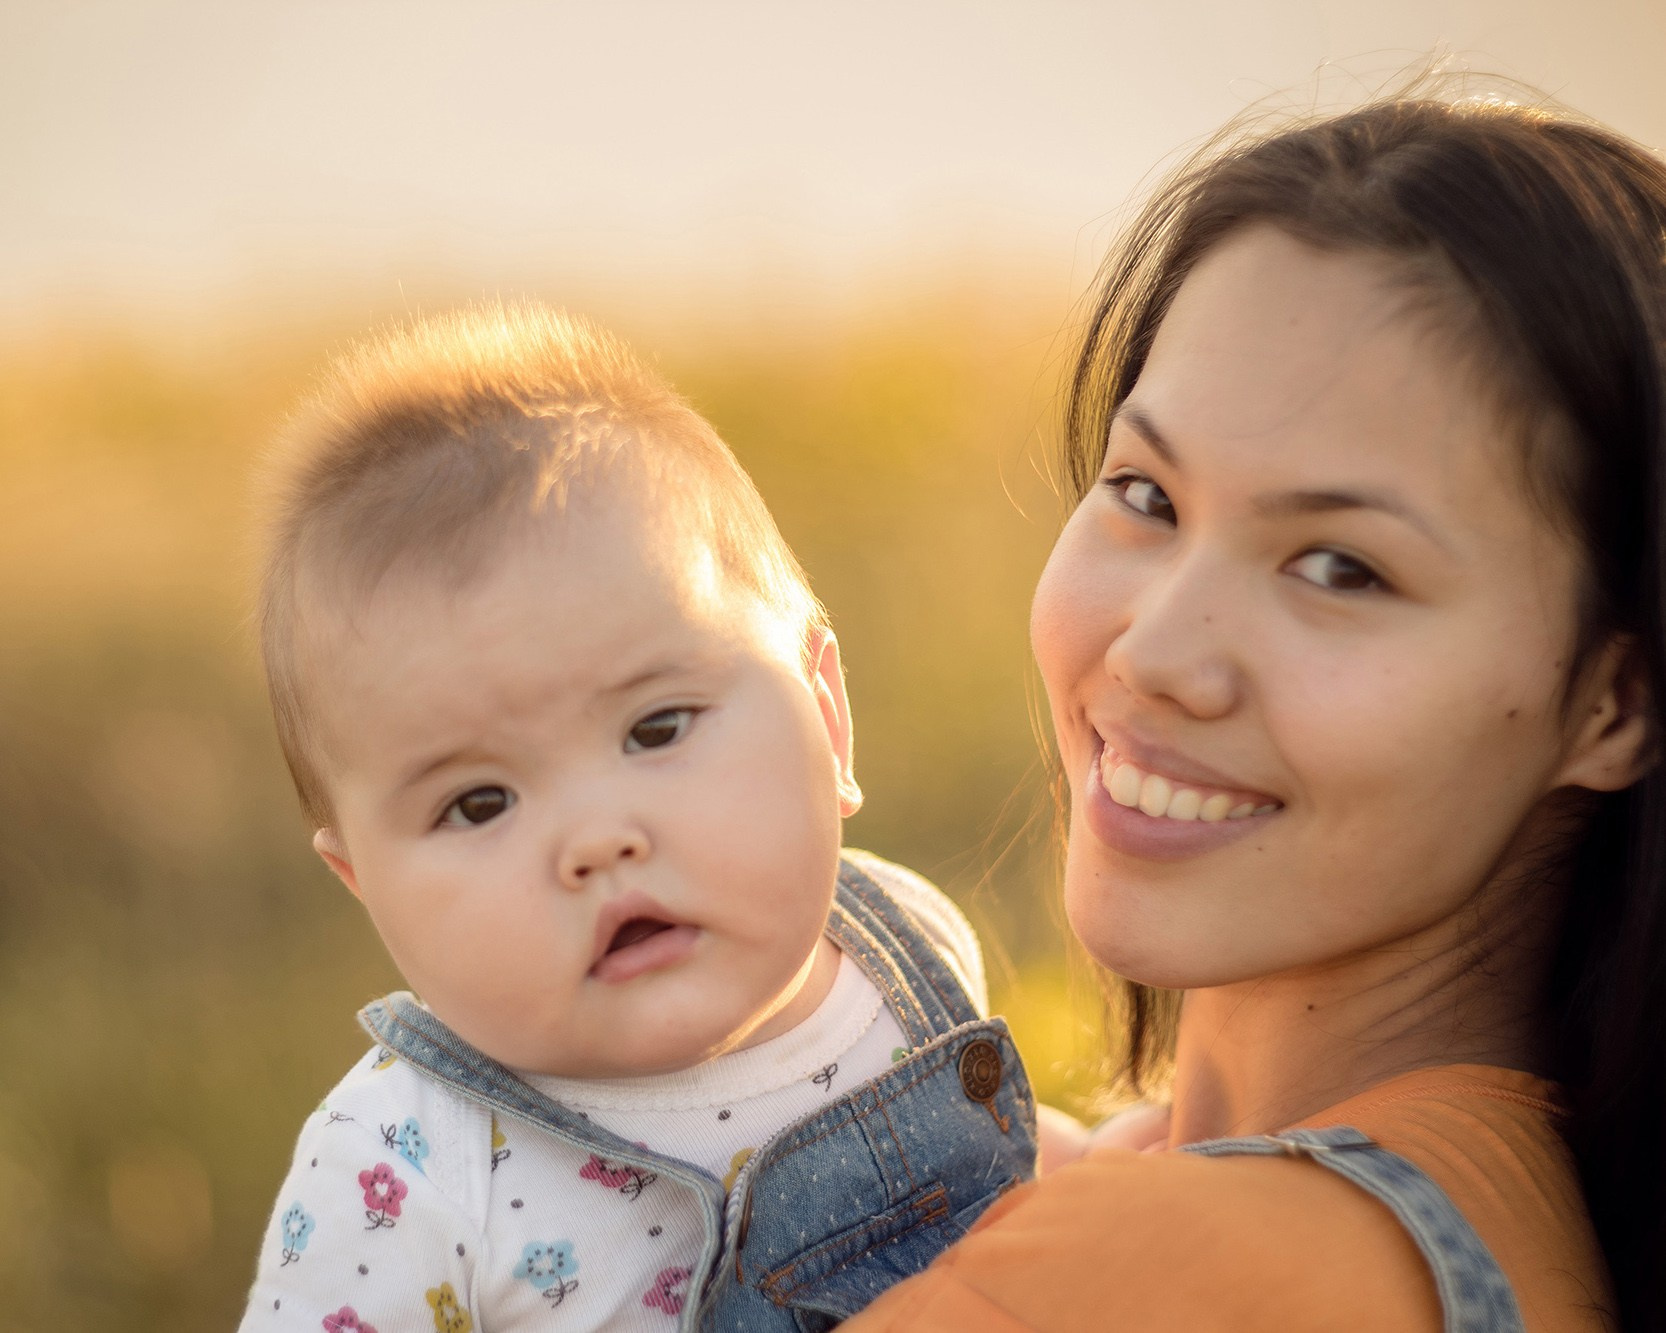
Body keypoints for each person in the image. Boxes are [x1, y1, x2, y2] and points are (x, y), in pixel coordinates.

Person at [847, 91, 1666, 1332]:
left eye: (1341, 567)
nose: (1159, 649)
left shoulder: (1174, 1269)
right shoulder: (1522, 1222)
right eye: (1144, 492)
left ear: (1613, 703)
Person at [238, 305, 1037, 1331]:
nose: (594, 841)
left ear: (827, 719)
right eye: (478, 802)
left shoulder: (905, 947)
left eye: (657, 728)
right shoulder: (404, 1167)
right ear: (364, 887)